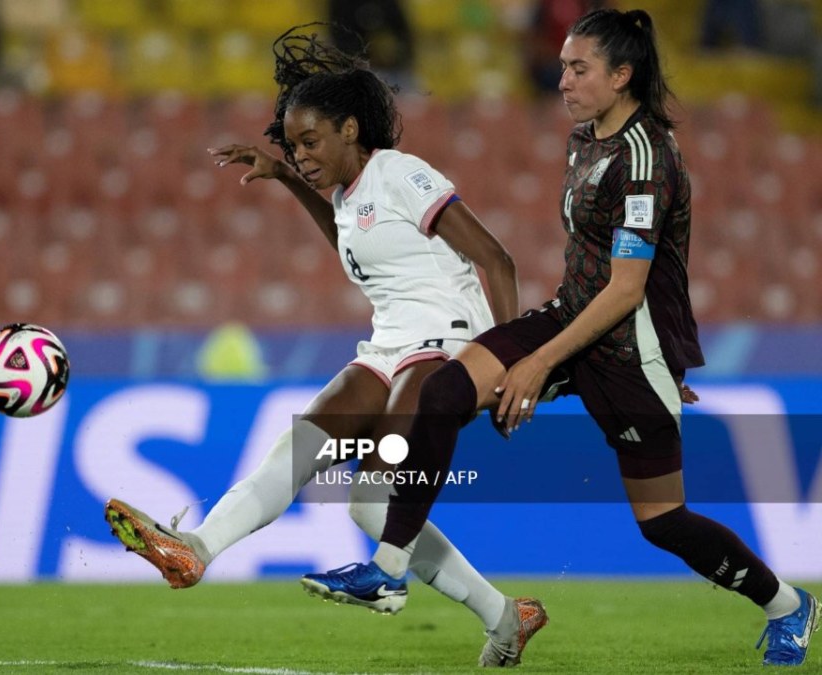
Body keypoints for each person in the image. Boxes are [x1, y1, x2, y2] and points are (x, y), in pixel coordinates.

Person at [304, 8, 820, 667]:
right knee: (442, 392)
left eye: (580, 68)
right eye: (566, 65)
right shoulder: (585, 138)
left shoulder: (645, 158)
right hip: (571, 313)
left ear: (622, 76)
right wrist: (532, 352)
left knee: (663, 521)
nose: (564, 79)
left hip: (626, 346)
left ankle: (787, 604)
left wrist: (542, 364)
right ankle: (389, 566)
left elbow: (628, 288)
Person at [106, 24, 548, 667]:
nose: (302, 153)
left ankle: (388, 577)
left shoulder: (399, 172)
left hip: (449, 341)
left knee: (386, 476)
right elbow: (347, 234)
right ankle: (194, 552)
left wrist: (504, 361)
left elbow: (498, 260)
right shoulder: (347, 196)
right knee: (345, 483)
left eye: (309, 141)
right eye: (292, 144)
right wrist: (287, 178)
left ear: (350, 128)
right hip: (389, 343)